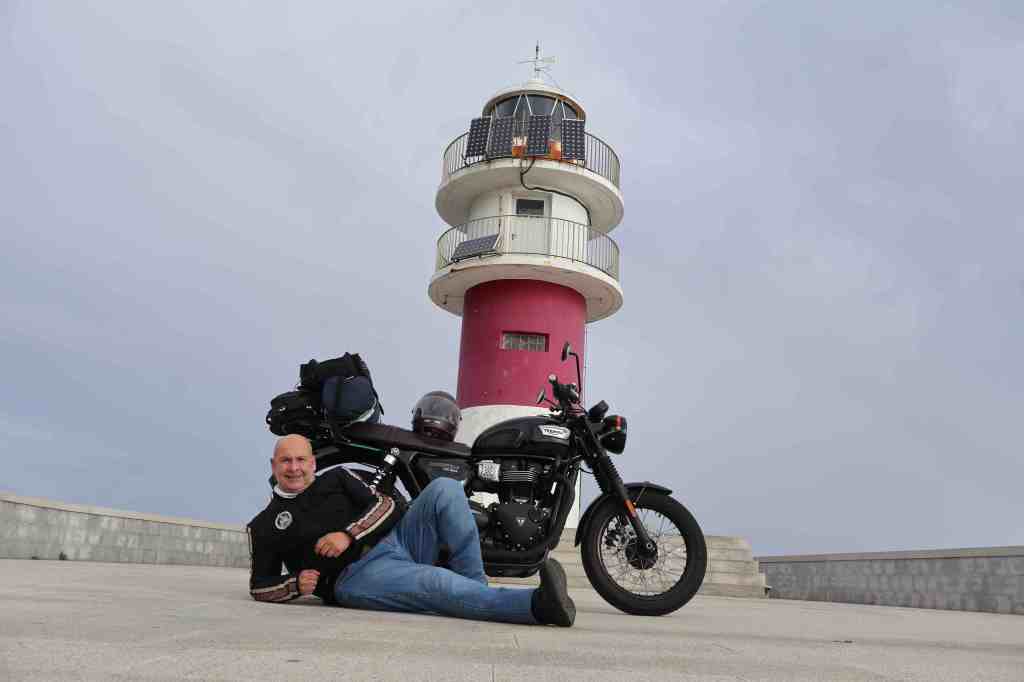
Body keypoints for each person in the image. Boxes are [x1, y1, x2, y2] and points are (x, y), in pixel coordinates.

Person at [246, 434, 575, 626]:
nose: (294, 468)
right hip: (355, 577)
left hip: (397, 539)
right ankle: (537, 606)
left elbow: (387, 507)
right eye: (286, 461)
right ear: (274, 466)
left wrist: (347, 534)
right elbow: (260, 586)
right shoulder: (264, 526)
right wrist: (293, 585)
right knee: (435, 583)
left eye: (301, 460)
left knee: (446, 488)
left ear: (313, 463)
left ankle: (475, 590)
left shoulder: (337, 478)